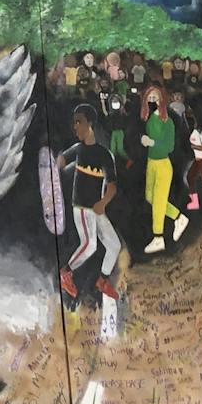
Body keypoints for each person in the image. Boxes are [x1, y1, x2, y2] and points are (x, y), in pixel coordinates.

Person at [57, 104, 121, 301]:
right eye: (74, 122)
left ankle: (102, 280)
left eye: (79, 122)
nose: (75, 126)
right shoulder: (77, 149)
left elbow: (112, 186)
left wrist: (104, 202)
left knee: (114, 245)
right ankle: (66, 272)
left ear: (90, 124)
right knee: (90, 244)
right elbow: (60, 159)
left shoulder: (104, 155)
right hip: (83, 208)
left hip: (96, 209)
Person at [140, 83, 190, 253]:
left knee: (159, 201)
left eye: (155, 97)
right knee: (150, 197)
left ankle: (158, 237)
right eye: (149, 98)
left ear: (161, 99)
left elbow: (169, 145)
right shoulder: (149, 118)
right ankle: (179, 217)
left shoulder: (167, 121)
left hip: (162, 164)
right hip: (151, 162)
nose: (152, 100)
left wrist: (152, 142)